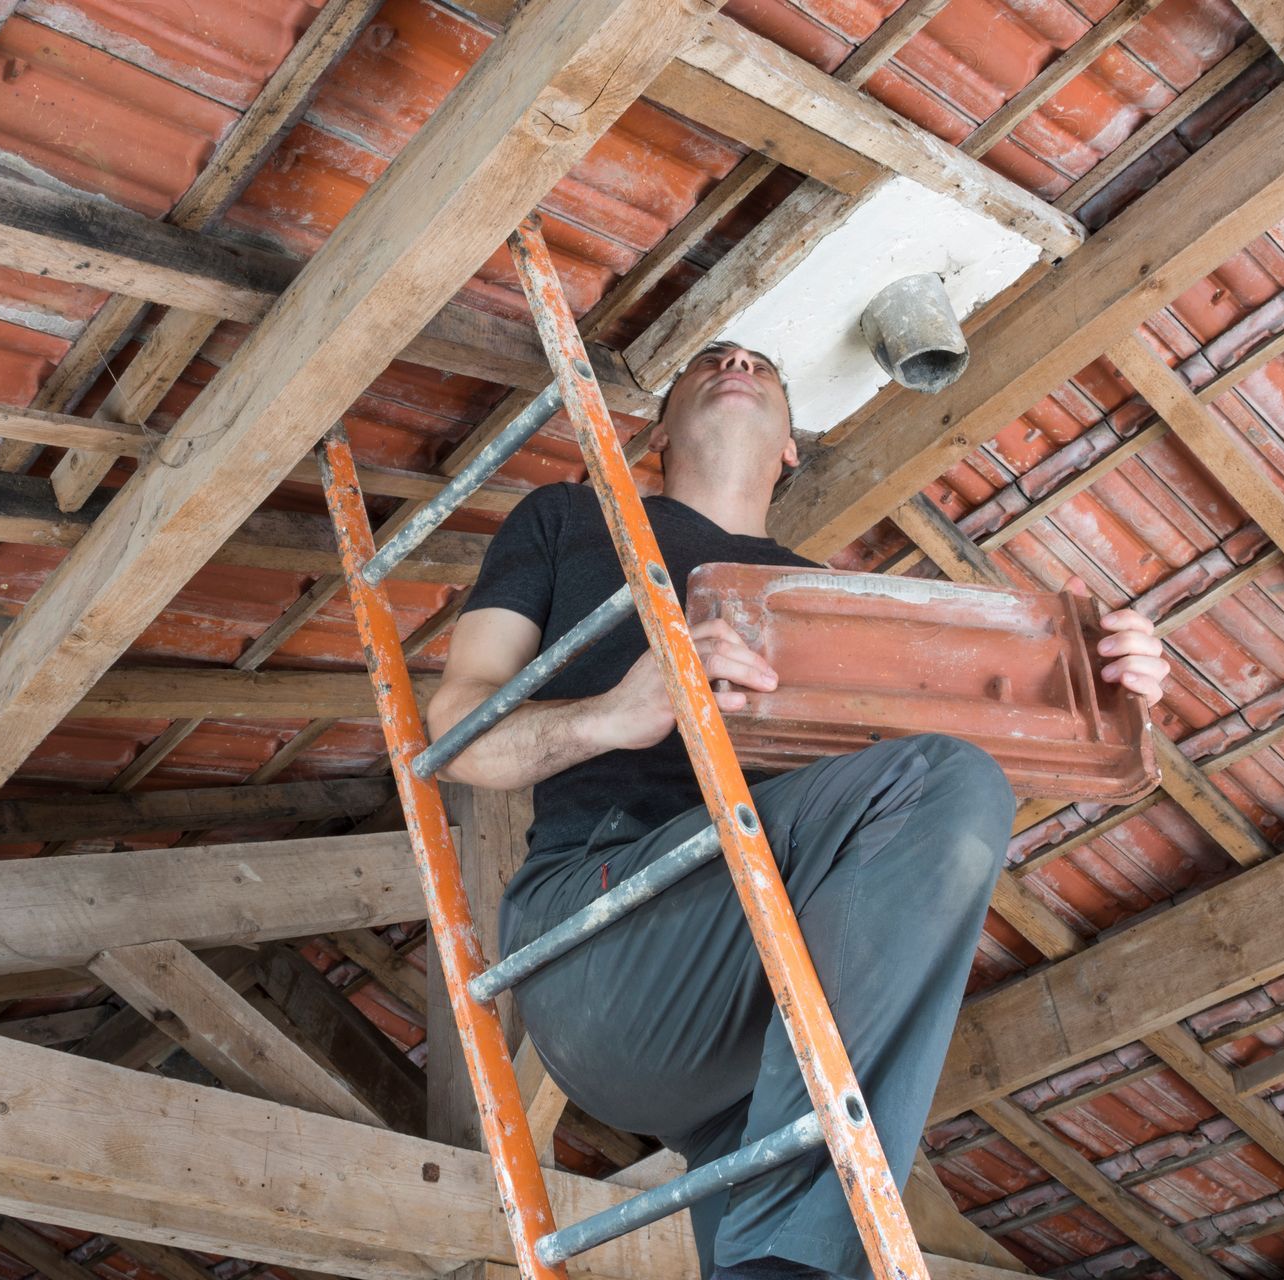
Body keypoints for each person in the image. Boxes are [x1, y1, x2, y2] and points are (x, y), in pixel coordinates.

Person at [426, 342, 1169, 1280]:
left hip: (753, 1048)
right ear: (656, 431)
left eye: (766, 365)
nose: (738, 359)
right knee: (951, 779)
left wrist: (1108, 688)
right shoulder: (572, 519)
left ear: (791, 448)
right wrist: (616, 713)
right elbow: (452, 731)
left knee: (952, 788)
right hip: (601, 938)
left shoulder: (833, 610)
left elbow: (925, 812)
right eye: (710, 359)